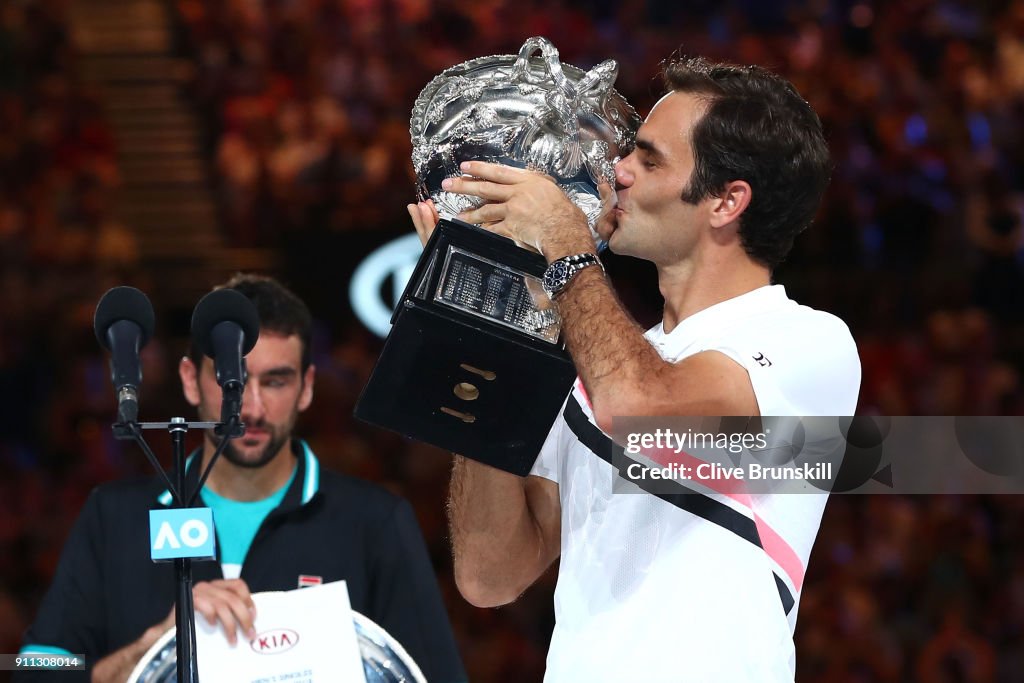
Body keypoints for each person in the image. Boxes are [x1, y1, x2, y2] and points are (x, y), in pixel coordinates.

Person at [408, 56, 861, 681]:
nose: (616, 171)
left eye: (649, 160)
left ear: (727, 201)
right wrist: (493, 323)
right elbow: (490, 574)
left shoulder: (806, 342)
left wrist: (565, 243)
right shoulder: (601, 363)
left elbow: (640, 407)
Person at [16, 274, 466, 683]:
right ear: (190, 380)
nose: (250, 408)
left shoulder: (374, 522)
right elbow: (34, 665)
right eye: (231, 379)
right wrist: (153, 647)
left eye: (275, 381)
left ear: (307, 387)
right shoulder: (115, 515)